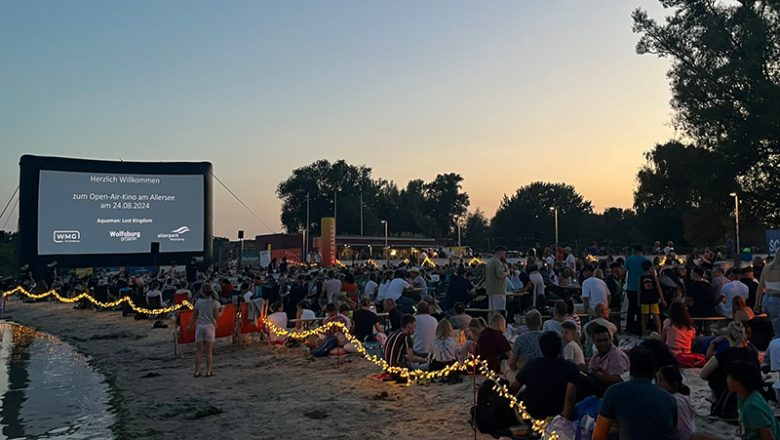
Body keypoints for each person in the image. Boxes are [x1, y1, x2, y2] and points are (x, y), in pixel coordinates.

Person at [593, 348, 678, 440]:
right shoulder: (670, 399)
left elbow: (598, 436)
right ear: (654, 372)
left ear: (630, 369)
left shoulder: (614, 392)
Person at [511, 331, 578, 420]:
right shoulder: (571, 368)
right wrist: (564, 421)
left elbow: (514, 388)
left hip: (530, 415)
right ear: (560, 347)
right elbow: (570, 398)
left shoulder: (532, 364)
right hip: (556, 414)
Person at [700, 321, 759, 415]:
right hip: (751, 390)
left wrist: (713, 342)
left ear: (727, 336)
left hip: (728, 391)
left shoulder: (723, 355)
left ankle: (714, 396)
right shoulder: (753, 352)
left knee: (715, 371)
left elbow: (703, 375)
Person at [728, 361, 780, 440]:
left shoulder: (751, 407)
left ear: (737, 383)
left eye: (729, 377)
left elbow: (769, 437)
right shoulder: (742, 396)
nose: (727, 380)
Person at [186, 284, 222, 377]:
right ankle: (209, 370)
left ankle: (197, 371)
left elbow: (194, 316)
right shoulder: (215, 303)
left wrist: (189, 325)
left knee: (199, 351)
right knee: (209, 351)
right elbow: (216, 317)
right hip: (209, 326)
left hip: (200, 326)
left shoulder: (198, 302)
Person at [587, 324, 629, 396]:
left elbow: (616, 381)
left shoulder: (616, 356)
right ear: (594, 341)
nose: (603, 343)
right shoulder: (597, 354)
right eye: (599, 341)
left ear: (610, 339)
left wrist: (590, 371)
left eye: (605, 340)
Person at [656, 365, 697, 440]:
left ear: (674, 383)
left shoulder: (677, 401)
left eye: (661, 380)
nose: (658, 384)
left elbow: (684, 432)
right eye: (657, 380)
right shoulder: (679, 398)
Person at [384, 315, 425, 382]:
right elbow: (411, 358)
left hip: (388, 369)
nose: (414, 329)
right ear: (409, 325)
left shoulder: (392, 334)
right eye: (414, 326)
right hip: (399, 372)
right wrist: (423, 360)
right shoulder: (406, 337)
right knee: (425, 368)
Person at [624, 244, 650, 334]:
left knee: (631, 309)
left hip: (631, 287)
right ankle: (639, 328)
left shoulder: (629, 260)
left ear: (634, 250)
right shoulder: (646, 260)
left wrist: (623, 282)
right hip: (644, 289)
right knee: (641, 310)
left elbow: (624, 272)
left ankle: (629, 328)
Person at [640, 259, 667, 335]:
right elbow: (658, 288)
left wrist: (638, 300)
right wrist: (662, 299)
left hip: (644, 298)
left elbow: (639, 290)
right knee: (656, 316)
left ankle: (643, 332)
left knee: (644, 317)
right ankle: (659, 332)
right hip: (653, 298)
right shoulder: (653, 277)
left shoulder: (641, 277)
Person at [757, 250, 780, 337]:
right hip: (777, 299)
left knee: (776, 328)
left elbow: (760, 287)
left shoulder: (767, 268)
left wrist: (757, 303)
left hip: (767, 299)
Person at [485, 246, 510, 321]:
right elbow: (500, 274)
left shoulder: (489, 262)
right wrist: (507, 272)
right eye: (504, 254)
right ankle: (497, 326)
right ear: (501, 253)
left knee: (491, 311)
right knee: (498, 311)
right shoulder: (498, 262)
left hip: (490, 289)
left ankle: (490, 325)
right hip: (499, 290)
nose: (505, 256)